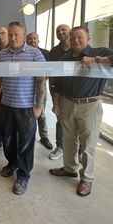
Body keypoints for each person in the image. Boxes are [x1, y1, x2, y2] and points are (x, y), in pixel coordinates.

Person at [50, 26, 113, 197]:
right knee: (69, 139)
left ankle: (87, 178)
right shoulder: (65, 57)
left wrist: (96, 60)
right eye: (73, 38)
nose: (76, 41)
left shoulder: (99, 52)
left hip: (90, 105)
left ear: (87, 39)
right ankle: (69, 168)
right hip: (67, 103)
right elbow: (57, 83)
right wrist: (56, 103)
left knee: (88, 143)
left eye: (80, 38)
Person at [0, 22, 46, 195]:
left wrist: (39, 106)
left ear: (23, 35)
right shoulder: (2, 55)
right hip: (6, 105)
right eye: (10, 35)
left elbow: (41, 80)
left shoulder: (34, 53)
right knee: (8, 140)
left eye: (16, 34)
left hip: (26, 108)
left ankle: (23, 176)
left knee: (25, 143)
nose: (13, 38)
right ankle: (12, 163)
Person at [48, 24, 71, 160]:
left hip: (75, 90)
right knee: (60, 119)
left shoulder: (77, 48)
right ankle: (60, 147)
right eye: (58, 31)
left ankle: (78, 150)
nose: (61, 32)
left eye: (63, 30)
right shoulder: (54, 51)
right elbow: (51, 71)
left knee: (75, 121)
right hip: (58, 90)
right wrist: (51, 87)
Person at [26, 32, 52, 150]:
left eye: (34, 38)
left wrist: (41, 80)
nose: (32, 40)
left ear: (38, 40)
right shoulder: (24, 53)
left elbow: (49, 70)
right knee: (27, 113)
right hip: (27, 87)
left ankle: (44, 137)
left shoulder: (45, 53)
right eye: (30, 39)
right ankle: (28, 137)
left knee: (41, 113)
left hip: (41, 87)